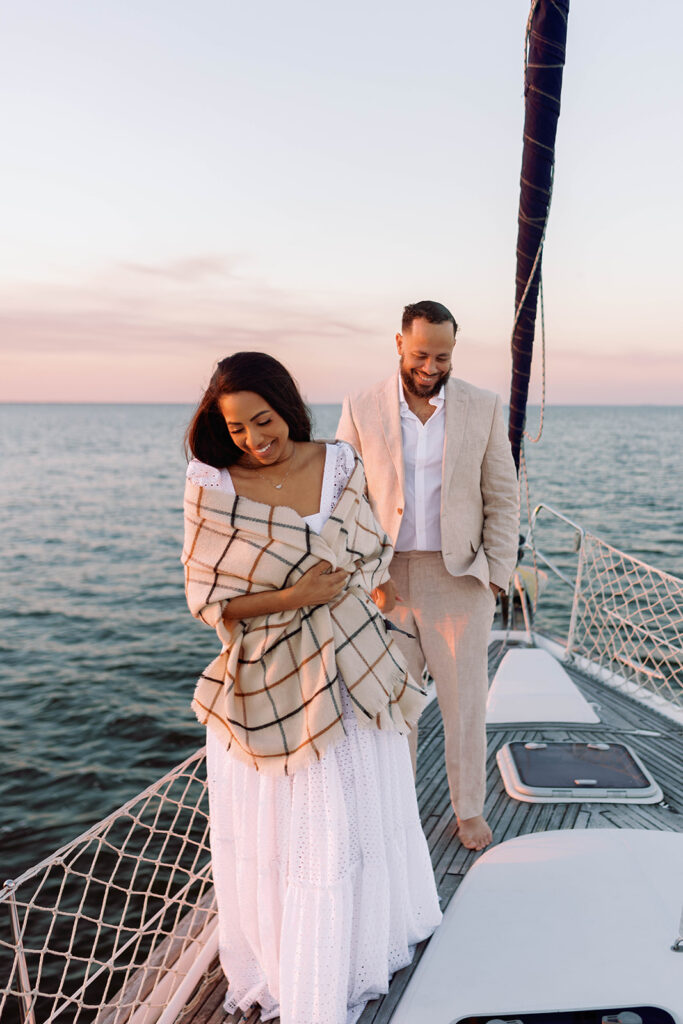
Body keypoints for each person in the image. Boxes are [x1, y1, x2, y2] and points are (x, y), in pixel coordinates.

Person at [182, 352, 441, 1024]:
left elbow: (371, 555)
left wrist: (335, 592)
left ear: (285, 406)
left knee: (354, 819)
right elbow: (208, 602)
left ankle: (358, 948)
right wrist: (294, 595)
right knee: (301, 835)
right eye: (235, 428)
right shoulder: (212, 481)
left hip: (353, 661)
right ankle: (302, 970)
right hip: (271, 677)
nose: (251, 439)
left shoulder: (340, 464)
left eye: (260, 420)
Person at [336, 300, 519, 852]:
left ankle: (468, 811)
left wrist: (495, 577)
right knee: (394, 705)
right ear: (398, 344)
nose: (430, 366)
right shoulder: (360, 405)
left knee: (464, 705)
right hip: (384, 581)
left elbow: (504, 497)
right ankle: (398, 812)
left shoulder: (483, 407)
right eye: (420, 354)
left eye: (442, 356)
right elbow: (345, 499)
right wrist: (362, 574)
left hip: (458, 577)